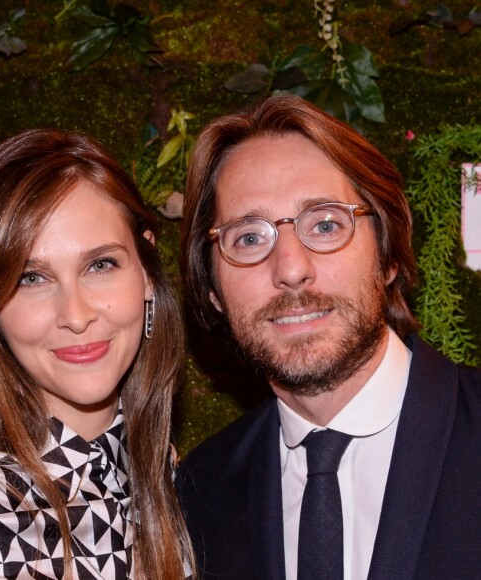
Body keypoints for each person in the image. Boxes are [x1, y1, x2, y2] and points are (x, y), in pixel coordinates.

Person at [177, 94, 481, 580]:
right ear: (212, 288)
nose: (291, 269)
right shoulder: (200, 491)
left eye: (324, 224)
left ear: (387, 255)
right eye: (249, 238)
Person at [0, 128, 195, 579]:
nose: (75, 316)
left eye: (101, 265)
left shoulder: (173, 488)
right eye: (31, 278)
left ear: (147, 273)